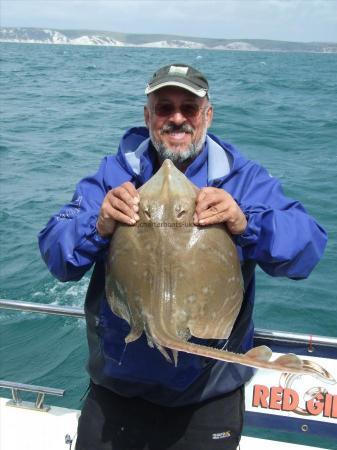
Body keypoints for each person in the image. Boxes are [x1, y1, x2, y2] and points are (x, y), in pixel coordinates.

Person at [38, 63, 327, 450]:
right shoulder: (114, 175)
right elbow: (56, 252)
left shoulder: (243, 180)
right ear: (148, 116)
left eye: (189, 108)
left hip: (207, 395)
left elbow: (307, 247)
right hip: (119, 391)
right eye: (164, 108)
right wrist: (99, 223)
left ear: (207, 115)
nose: (177, 118)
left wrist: (246, 222)